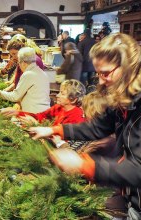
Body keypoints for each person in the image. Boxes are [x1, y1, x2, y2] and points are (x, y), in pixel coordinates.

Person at [27, 33, 141, 218]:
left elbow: (137, 169)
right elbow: (97, 127)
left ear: (128, 67)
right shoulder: (124, 99)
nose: (101, 81)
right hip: (131, 198)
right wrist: (54, 129)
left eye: (105, 73)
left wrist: (85, 165)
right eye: (98, 73)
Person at [1, 79, 86, 127]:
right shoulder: (58, 107)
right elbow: (39, 116)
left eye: (62, 94)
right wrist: (17, 112)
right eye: (59, 92)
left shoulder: (76, 117)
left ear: (73, 99)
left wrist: (36, 125)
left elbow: (62, 141)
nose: (57, 95)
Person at [0, 47, 50, 114]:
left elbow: (15, 96)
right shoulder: (42, 73)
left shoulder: (28, 74)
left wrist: (0, 93)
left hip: (34, 113)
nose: (19, 66)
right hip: (44, 113)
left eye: (19, 63)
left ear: (23, 62)